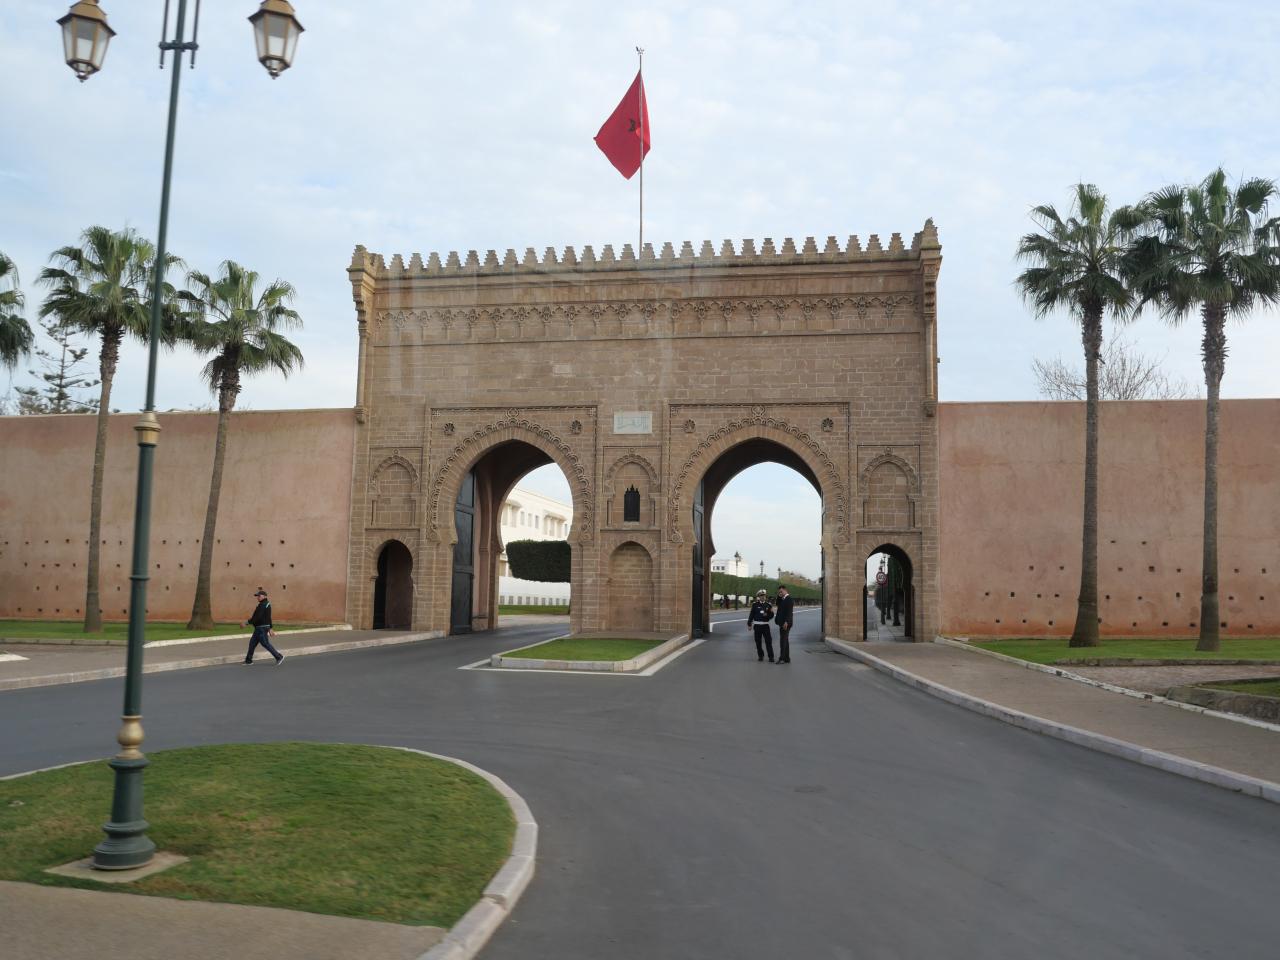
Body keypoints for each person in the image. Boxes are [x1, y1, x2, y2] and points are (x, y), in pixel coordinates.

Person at [243, 587, 284, 665]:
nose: (258, 597)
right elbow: (268, 617)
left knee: (265, 643)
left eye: (259, 596)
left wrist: (246, 623)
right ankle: (248, 660)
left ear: (264, 596)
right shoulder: (263, 604)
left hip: (262, 628)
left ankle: (279, 657)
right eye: (257, 596)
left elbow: (257, 617)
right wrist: (270, 628)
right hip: (259, 628)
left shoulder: (264, 604)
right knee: (252, 644)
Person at [747, 589, 775, 662]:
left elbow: (772, 615)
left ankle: (771, 657)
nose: (763, 597)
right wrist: (749, 624)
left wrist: (767, 615)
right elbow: (751, 615)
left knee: (768, 641)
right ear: (759, 597)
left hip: (765, 626)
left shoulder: (768, 605)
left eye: (764, 595)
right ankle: (760, 656)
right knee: (758, 642)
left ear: (765, 596)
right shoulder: (755, 605)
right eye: (761, 595)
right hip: (757, 626)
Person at [774, 584, 794, 664]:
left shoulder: (789, 599)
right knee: (785, 640)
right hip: (782, 623)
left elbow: (789, 612)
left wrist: (786, 622)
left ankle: (782, 658)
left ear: (785, 590)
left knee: (783, 641)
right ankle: (787, 658)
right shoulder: (782, 599)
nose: (780, 593)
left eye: (781, 591)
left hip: (786, 624)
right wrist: (779, 596)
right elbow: (777, 604)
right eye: (779, 592)